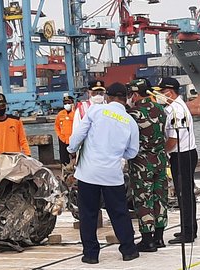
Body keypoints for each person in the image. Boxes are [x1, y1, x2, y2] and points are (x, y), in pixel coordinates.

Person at [67, 83, 140, 264]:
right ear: (126, 98)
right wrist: (114, 154)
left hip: (88, 173)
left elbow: (78, 135)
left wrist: (71, 149)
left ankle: (91, 254)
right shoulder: (130, 121)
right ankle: (128, 250)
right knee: (119, 212)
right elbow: (132, 152)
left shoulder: (95, 111)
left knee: (88, 213)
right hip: (112, 175)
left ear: (108, 97)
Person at [153, 77, 198, 244]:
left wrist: (162, 152)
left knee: (184, 195)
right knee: (185, 194)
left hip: (182, 155)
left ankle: (188, 232)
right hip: (184, 154)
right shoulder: (175, 107)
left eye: (161, 93)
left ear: (169, 93)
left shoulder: (176, 110)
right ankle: (189, 228)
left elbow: (173, 139)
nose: (159, 97)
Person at [127, 78, 168, 252]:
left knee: (144, 199)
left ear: (135, 94)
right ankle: (159, 238)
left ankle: (147, 239)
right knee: (160, 198)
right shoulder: (160, 109)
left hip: (141, 162)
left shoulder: (134, 113)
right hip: (160, 159)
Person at [0, 93, 31, 160]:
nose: (1, 109)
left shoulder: (16, 121)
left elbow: (23, 140)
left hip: (16, 159)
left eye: (3, 106)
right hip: (0, 161)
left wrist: (28, 155)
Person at [54, 95, 75, 166]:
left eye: (68, 103)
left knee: (75, 160)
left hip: (74, 140)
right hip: (63, 140)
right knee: (64, 160)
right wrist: (60, 135)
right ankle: (65, 173)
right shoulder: (60, 114)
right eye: (65, 103)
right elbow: (56, 126)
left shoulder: (76, 113)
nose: (67, 105)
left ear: (72, 103)